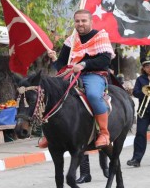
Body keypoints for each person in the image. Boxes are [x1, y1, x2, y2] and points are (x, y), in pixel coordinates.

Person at [46, 9, 115, 149]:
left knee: (93, 95)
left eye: (84, 20)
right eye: (77, 21)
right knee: (51, 92)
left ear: (91, 21)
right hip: (70, 75)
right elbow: (62, 65)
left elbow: (105, 60)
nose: (80, 23)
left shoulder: (100, 36)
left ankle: (103, 132)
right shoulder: (71, 40)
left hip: (94, 75)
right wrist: (54, 58)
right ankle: (50, 134)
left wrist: (84, 64)